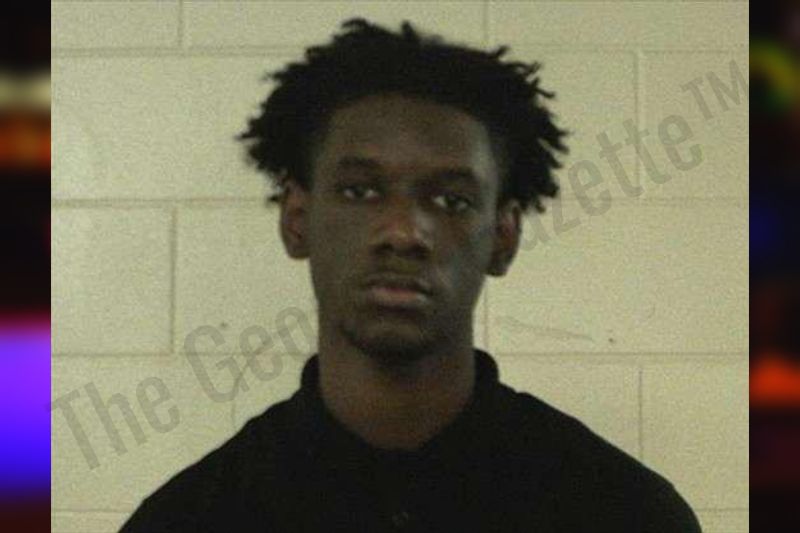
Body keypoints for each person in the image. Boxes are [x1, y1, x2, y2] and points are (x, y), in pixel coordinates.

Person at [120, 18, 701, 532]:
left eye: (451, 200)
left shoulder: (625, 513)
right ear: (297, 220)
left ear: (503, 237)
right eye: (360, 191)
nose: (403, 232)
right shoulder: (191, 519)